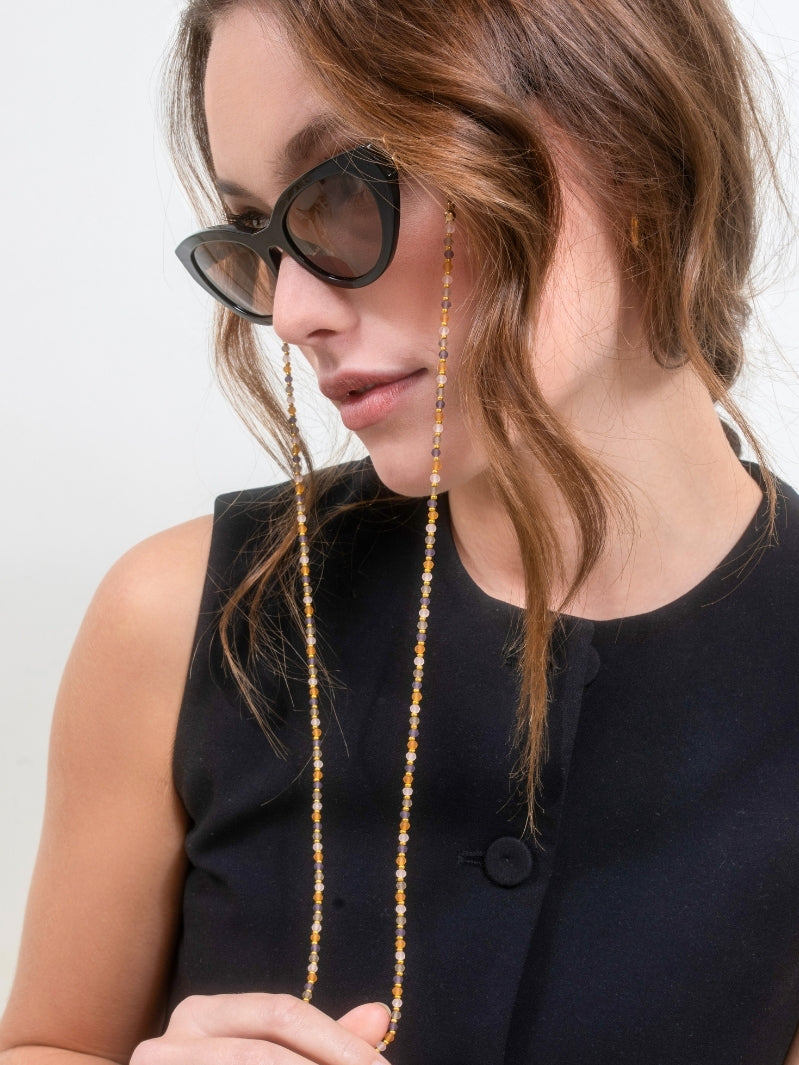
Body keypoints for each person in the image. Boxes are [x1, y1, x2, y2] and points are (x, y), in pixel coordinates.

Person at [1, 0, 798, 1062]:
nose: (291, 313)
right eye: (259, 235)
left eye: (342, 193)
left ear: (628, 141)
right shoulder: (179, 621)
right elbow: (46, 1043)